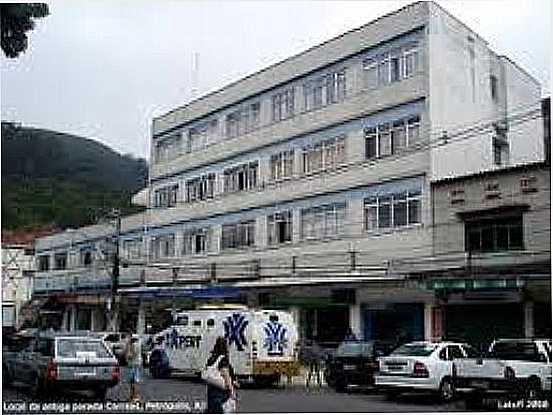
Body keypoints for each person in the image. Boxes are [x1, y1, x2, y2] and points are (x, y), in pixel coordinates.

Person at [206, 337, 237, 413]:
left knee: (212, 408)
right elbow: (225, 373)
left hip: (211, 387)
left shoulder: (212, 358)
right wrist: (231, 389)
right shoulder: (223, 359)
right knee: (220, 408)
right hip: (221, 390)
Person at [124, 334, 143, 402]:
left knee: (134, 381)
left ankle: (135, 396)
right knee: (133, 381)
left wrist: (127, 353)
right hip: (136, 364)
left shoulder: (134, 345)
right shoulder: (138, 344)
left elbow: (131, 355)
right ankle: (132, 396)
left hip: (133, 364)